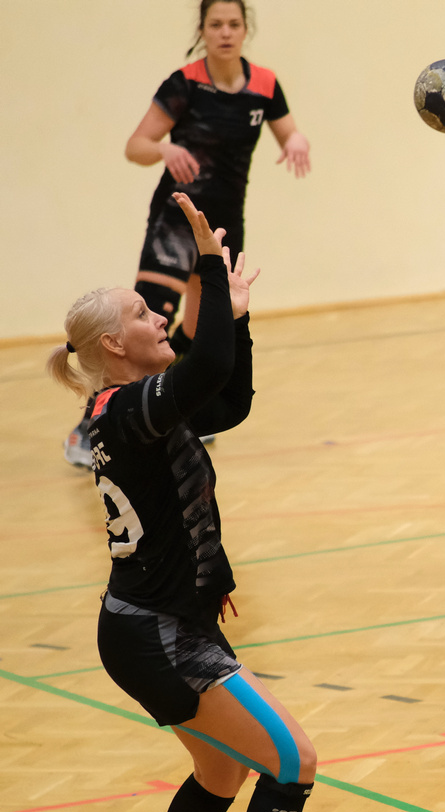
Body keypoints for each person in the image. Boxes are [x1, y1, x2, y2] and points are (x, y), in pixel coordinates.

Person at [45, 193, 339, 812]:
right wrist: (206, 264)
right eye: (146, 313)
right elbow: (206, 367)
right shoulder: (126, 412)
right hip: (158, 635)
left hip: (157, 622)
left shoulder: (135, 408)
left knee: (221, 767)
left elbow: (229, 401)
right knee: (292, 760)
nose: (160, 319)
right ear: (115, 343)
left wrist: (236, 316)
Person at [64, 0, 310, 468]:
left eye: (233, 24)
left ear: (245, 29)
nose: (225, 32)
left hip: (221, 223)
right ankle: (91, 427)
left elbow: (289, 134)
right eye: (216, 24)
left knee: (202, 330)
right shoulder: (184, 84)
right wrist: (164, 149)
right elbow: (135, 146)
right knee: (148, 319)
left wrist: (296, 139)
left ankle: (174, 411)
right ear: (203, 30)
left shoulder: (264, 85)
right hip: (176, 219)